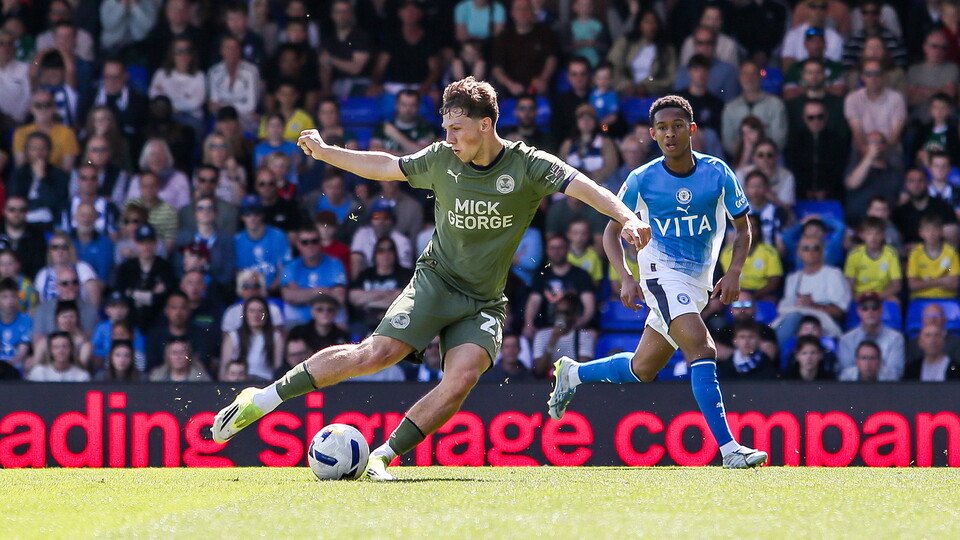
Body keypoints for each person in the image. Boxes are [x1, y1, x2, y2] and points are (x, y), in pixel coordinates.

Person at [212, 76, 650, 480]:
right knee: (376, 353)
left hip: (484, 300)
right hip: (434, 281)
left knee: (462, 377)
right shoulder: (442, 159)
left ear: (485, 124)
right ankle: (262, 399)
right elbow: (385, 165)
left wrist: (627, 218)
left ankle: (383, 456)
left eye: (457, 128)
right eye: (445, 127)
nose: (449, 137)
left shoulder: (528, 165)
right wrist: (327, 152)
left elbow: (587, 188)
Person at [545, 95, 767, 469]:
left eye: (677, 126)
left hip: (697, 283)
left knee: (642, 369)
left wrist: (734, 271)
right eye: (662, 128)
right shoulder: (641, 179)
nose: (670, 133)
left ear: (691, 130)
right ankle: (730, 450)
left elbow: (743, 229)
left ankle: (573, 373)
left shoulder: (718, 173)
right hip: (660, 275)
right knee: (703, 348)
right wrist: (627, 278)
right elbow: (610, 233)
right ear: (652, 134)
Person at [837, 292, 905, 381]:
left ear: (881, 310)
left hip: (886, 388)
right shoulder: (846, 339)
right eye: (865, 308)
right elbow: (845, 373)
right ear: (858, 311)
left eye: (875, 307)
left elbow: (896, 373)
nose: (870, 311)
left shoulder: (896, 338)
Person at [844, 217, 903, 302]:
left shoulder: (891, 253)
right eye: (869, 233)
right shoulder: (854, 254)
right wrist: (860, 298)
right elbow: (849, 286)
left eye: (877, 233)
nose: (873, 237)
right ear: (862, 235)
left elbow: (896, 285)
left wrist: (876, 296)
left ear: (883, 235)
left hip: (883, 295)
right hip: (860, 296)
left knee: (895, 302)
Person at [907, 213, 960, 300]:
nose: (931, 234)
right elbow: (912, 285)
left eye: (935, 230)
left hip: (947, 298)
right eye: (927, 230)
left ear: (941, 231)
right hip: (920, 299)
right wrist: (942, 280)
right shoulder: (915, 253)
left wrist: (924, 283)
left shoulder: (951, 252)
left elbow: (954, 283)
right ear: (921, 233)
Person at [26, 331, 90, 382]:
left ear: (71, 349)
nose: (61, 351)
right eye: (56, 347)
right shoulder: (39, 372)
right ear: (50, 350)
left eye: (65, 347)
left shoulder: (81, 375)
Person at [0, 277, 31, 372]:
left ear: (18, 298)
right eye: (5, 297)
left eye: (13, 296)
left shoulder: (26, 320)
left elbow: (22, 352)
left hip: (17, 366)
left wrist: (8, 367)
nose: (10, 301)